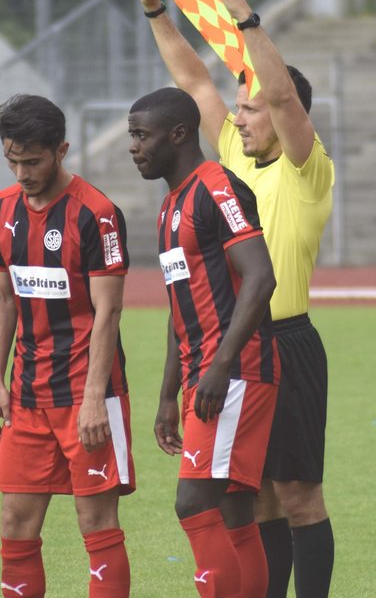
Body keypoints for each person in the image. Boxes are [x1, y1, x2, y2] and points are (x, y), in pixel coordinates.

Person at [135, 0, 335, 597]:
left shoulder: (307, 166)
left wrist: (242, 16)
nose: (240, 118)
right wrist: (157, 12)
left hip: (286, 341)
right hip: (234, 348)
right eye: (239, 110)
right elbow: (193, 82)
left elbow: (277, 93)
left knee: (300, 496)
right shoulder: (230, 161)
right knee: (257, 501)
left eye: (251, 109)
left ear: (288, 114)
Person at [129, 86, 281, 597]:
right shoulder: (170, 206)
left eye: (141, 135)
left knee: (193, 504)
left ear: (178, 134)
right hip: (205, 375)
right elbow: (180, 312)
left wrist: (219, 367)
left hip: (235, 372)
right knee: (234, 510)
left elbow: (261, 278)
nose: (134, 147)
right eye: (131, 135)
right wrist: (168, 395)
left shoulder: (217, 188)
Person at [0, 94, 135, 598]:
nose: (22, 172)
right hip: (27, 395)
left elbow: (108, 311)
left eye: (33, 160)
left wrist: (95, 396)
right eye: (12, 159)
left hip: (86, 395)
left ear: (62, 150)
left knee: (95, 519)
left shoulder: (97, 214)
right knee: (15, 520)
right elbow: (3, 295)